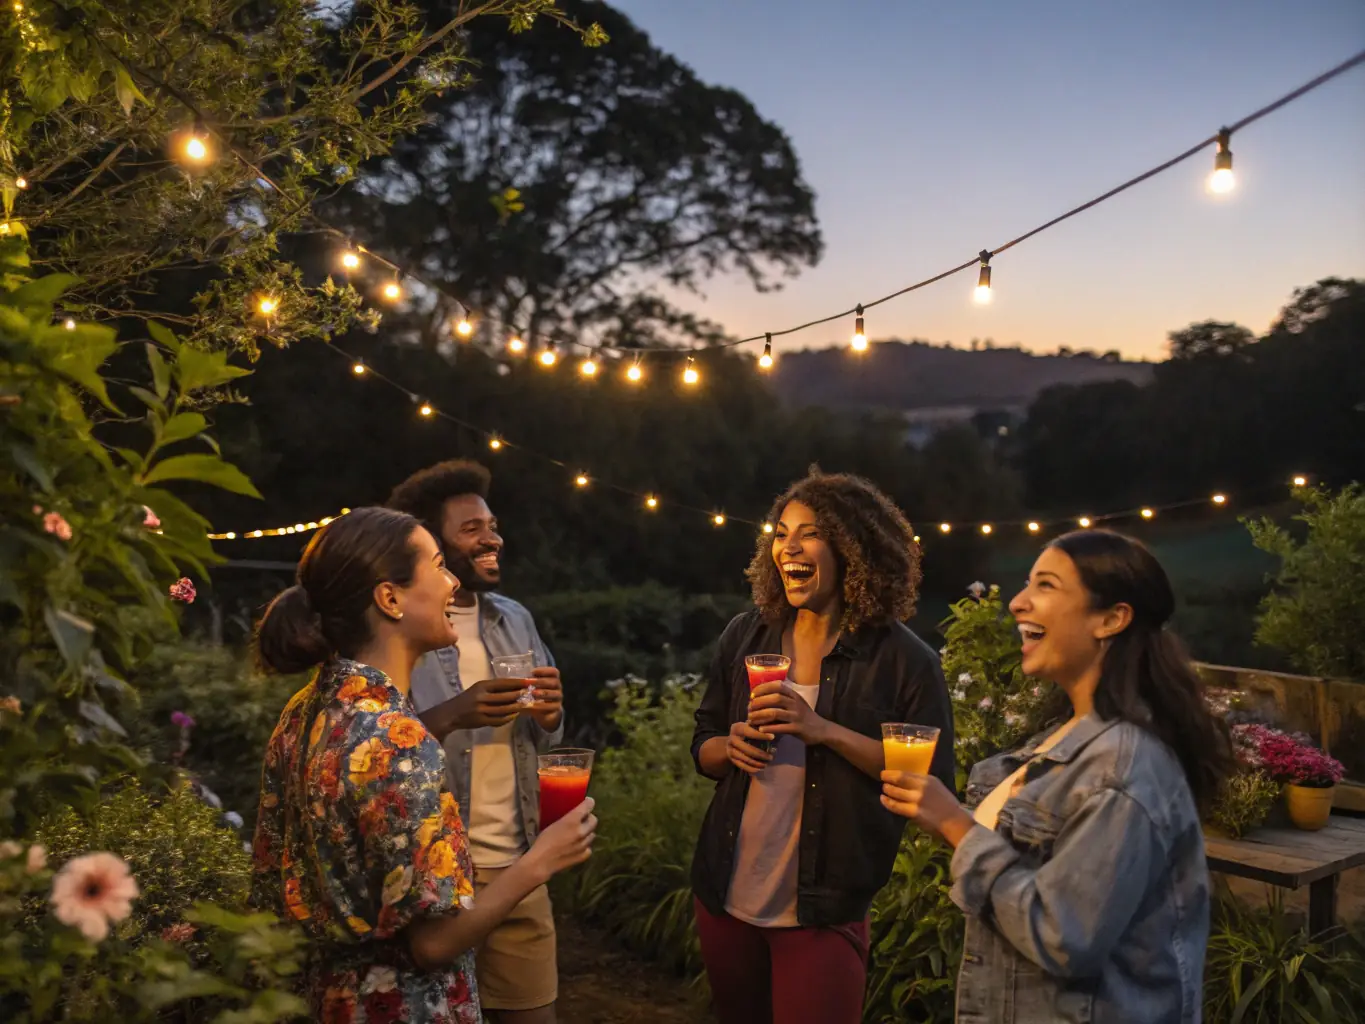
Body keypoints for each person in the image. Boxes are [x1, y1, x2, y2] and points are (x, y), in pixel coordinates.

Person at [250, 507, 595, 1023]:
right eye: (438, 566)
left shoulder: (305, 710)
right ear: (390, 599)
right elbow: (432, 945)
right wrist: (541, 859)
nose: (454, 582)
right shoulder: (397, 738)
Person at [881, 529, 1233, 1024]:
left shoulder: (1123, 768)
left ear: (1111, 618)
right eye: (1026, 584)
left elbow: (1065, 936)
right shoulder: (1064, 739)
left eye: (1045, 586)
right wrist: (948, 822)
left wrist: (955, 827)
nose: (1018, 603)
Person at [690, 468, 956, 1024]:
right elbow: (703, 744)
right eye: (780, 532)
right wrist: (729, 746)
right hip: (725, 895)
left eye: (808, 532)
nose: (788, 545)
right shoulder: (746, 635)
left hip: (823, 909)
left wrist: (824, 731)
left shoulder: (906, 662)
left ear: (851, 547)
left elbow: (933, 783)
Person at [386, 460, 566, 1024]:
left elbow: (548, 730)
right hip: (437, 875)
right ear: (430, 545)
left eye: (491, 524)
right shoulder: (402, 628)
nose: (491, 537)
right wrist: (452, 713)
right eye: (470, 529)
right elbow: (376, 747)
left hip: (519, 863)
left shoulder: (514, 618)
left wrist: (553, 713)